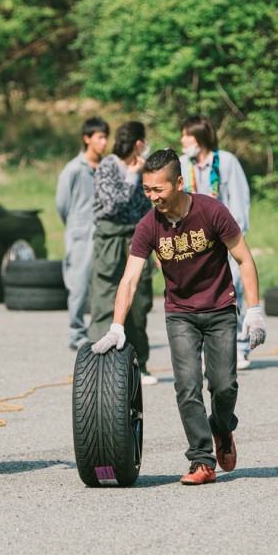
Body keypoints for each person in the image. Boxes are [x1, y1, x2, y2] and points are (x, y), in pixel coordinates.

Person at [91, 148, 267, 485]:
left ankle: (222, 427)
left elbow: (244, 259)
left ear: (179, 183)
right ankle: (201, 460)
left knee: (223, 385)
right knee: (187, 387)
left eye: (159, 189)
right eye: (146, 190)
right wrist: (116, 326)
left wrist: (255, 311)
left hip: (219, 308)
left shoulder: (212, 211)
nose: (152, 197)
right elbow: (129, 279)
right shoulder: (148, 226)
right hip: (180, 314)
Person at [179, 115, 254, 369]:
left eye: (187, 135)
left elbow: (239, 200)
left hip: (225, 240)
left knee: (234, 291)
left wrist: (235, 236)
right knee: (198, 295)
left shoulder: (227, 162)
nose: (183, 140)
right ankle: (203, 352)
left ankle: (240, 348)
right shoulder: (182, 165)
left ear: (200, 138)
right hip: (194, 243)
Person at [87, 121, 158, 385]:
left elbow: (149, 204)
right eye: (145, 140)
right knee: (105, 302)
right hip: (110, 241)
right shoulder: (108, 165)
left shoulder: (146, 170)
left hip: (137, 239)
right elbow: (112, 204)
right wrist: (131, 176)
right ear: (138, 142)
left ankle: (140, 366)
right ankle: (98, 367)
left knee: (138, 305)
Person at [56, 117, 110, 350]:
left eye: (106, 137)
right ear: (87, 139)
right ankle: (76, 333)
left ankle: (101, 330)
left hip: (104, 232)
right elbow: (62, 204)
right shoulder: (74, 169)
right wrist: (76, 226)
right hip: (81, 233)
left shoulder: (107, 167)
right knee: (78, 285)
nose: (104, 142)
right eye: (99, 137)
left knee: (104, 283)